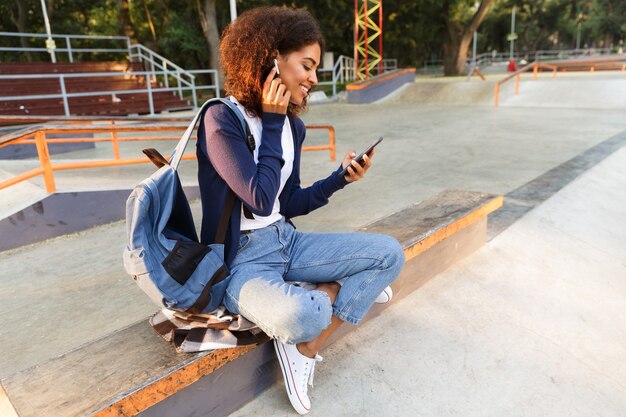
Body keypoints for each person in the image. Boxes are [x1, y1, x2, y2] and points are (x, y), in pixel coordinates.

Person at [196, 6, 404, 415]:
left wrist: (340, 178)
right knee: (304, 313)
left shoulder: (294, 127)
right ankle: (325, 298)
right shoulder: (222, 119)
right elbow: (256, 197)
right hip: (240, 261)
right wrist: (271, 123)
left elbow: (285, 202)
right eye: (306, 66)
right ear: (270, 60)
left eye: (315, 68)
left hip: (285, 241)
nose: (312, 78)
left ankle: (307, 346)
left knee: (389, 254)